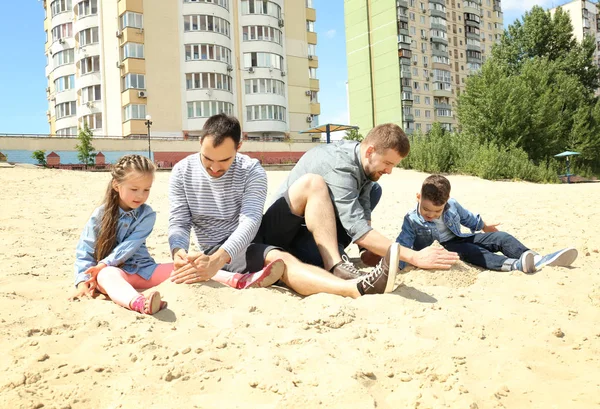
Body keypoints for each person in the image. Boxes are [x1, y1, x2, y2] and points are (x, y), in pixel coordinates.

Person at [168, 114, 398, 298]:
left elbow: (250, 221)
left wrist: (218, 260)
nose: (215, 168)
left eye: (224, 161)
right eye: (208, 160)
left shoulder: (252, 170)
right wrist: (179, 251)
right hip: (221, 249)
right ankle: (355, 288)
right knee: (281, 260)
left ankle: (334, 264)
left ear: (239, 146)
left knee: (313, 182)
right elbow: (179, 222)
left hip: (255, 232)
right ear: (199, 142)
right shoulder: (181, 171)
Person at [254, 123, 460, 281]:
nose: (389, 170)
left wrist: (368, 252)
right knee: (316, 258)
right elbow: (357, 228)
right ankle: (332, 262)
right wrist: (414, 257)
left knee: (375, 189)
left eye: (394, 165)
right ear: (370, 151)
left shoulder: (363, 163)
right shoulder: (341, 166)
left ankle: (334, 250)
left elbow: (364, 210)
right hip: (281, 233)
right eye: (388, 163)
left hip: (312, 225)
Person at [396, 174, 578, 272]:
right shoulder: (411, 219)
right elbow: (403, 244)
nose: (432, 215)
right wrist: (399, 264)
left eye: (438, 211)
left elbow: (468, 218)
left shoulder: (452, 204)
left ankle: (537, 259)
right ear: (419, 197)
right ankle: (514, 265)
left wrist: (483, 226)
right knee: (474, 252)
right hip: (442, 249)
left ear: (447, 201)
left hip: (460, 238)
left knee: (502, 237)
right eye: (427, 210)